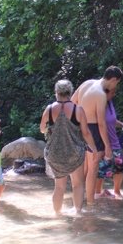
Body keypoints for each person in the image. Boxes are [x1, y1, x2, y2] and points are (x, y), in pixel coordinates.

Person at [41, 79, 98, 215]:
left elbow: (42, 129)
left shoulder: (49, 109)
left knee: (59, 187)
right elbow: (86, 133)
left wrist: (50, 130)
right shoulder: (78, 110)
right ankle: (78, 212)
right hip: (75, 153)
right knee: (77, 184)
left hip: (55, 153)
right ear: (70, 92)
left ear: (56, 92)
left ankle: (57, 215)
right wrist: (94, 149)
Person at [71, 66, 123, 204]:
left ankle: (79, 200)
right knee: (93, 168)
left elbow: (72, 101)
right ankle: (90, 203)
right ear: (113, 80)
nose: (115, 86)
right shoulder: (101, 94)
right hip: (94, 129)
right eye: (117, 83)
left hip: (80, 126)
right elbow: (101, 123)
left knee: (84, 168)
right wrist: (107, 146)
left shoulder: (87, 83)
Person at [95, 86, 123, 199]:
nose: (114, 94)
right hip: (102, 143)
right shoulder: (99, 104)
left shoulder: (110, 103)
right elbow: (100, 123)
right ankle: (97, 194)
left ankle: (117, 193)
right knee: (101, 170)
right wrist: (106, 145)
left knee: (120, 167)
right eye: (112, 92)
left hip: (115, 142)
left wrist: (122, 124)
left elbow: (112, 120)